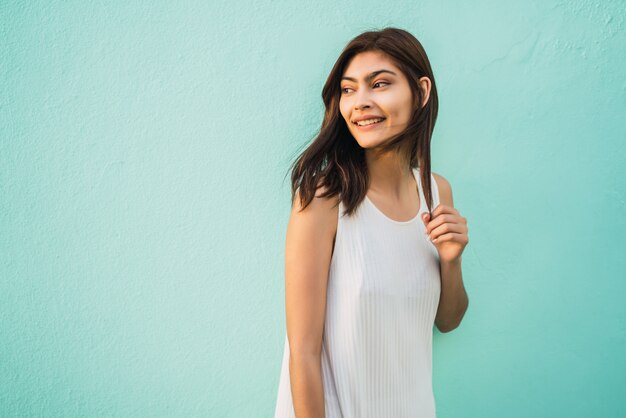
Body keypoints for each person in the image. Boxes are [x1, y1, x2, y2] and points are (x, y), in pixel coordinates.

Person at [274, 27, 470, 418]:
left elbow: (447, 321)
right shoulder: (323, 198)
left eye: (379, 84)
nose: (359, 102)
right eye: (348, 90)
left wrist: (451, 260)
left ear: (422, 92)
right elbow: (304, 352)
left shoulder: (437, 192)